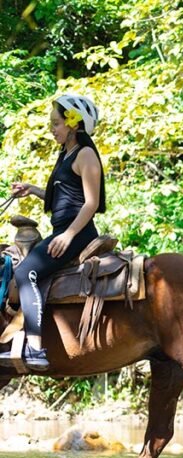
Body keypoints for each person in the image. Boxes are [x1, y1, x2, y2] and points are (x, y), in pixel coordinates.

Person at [4, 94, 105, 370]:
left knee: (26, 273)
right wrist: (32, 190)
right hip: (65, 229)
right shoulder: (66, 154)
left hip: (78, 232)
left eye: (56, 123)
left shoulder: (85, 154)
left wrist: (69, 235)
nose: (52, 129)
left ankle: (35, 348)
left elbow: (91, 202)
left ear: (74, 124)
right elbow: (64, 194)